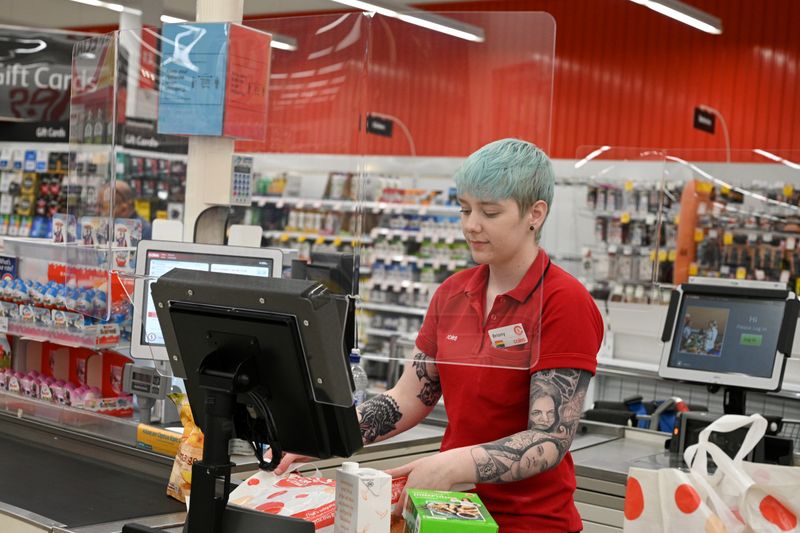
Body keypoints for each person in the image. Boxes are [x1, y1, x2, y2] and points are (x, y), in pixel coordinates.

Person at [276, 138, 604, 532]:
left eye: (490, 212)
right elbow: (409, 396)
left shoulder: (563, 302)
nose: (471, 225)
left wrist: (451, 464)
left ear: (535, 214)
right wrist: (325, 435)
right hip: (447, 514)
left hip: (530, 522)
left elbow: (548, 439)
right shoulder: (453, 292)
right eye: (465, 209)